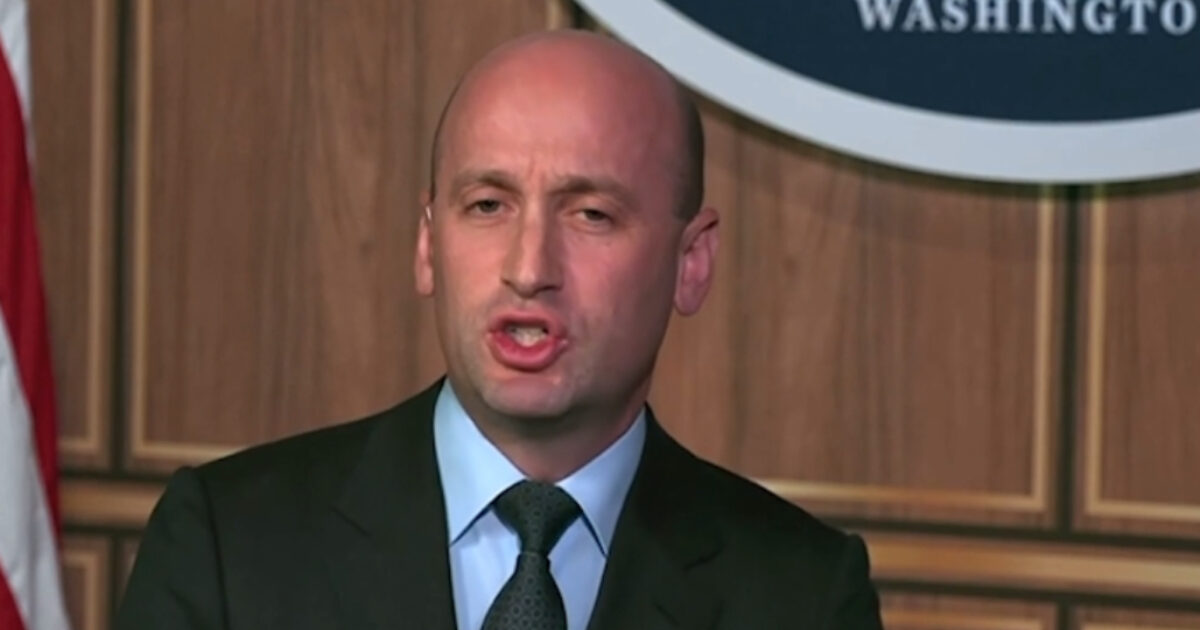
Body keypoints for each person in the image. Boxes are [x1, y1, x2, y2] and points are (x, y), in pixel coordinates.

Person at [116, 30, 883, 630]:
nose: (528, 267)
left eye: (591, 215)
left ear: (691, 263)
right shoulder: (228, 545)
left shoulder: (803, 595)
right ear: (428, 245)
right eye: (487, 205)